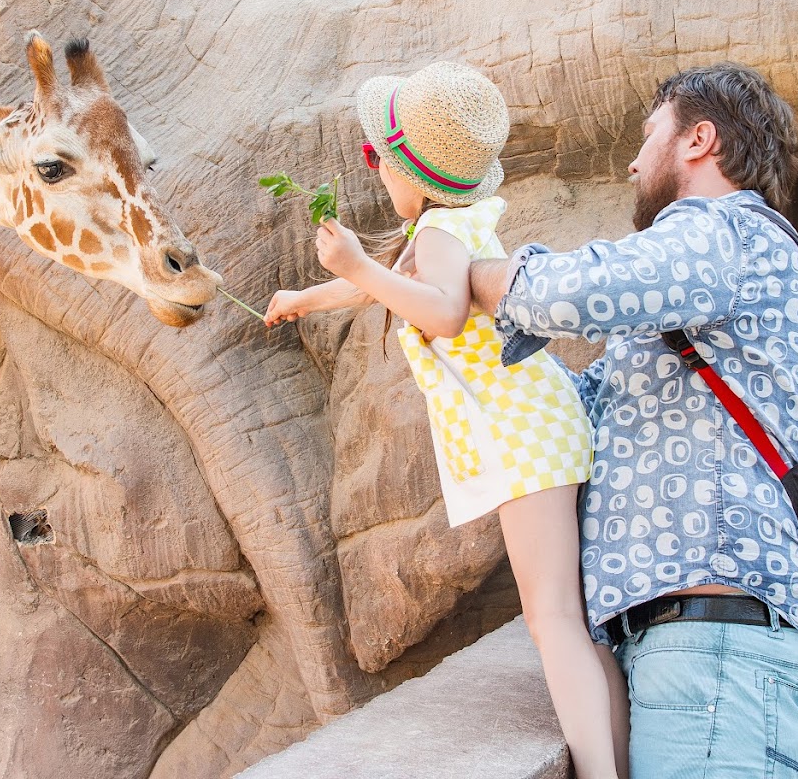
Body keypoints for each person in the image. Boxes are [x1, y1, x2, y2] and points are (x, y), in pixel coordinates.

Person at [468, 62, 798, 779]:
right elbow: (579, 411)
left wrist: (470, 273)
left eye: (648, 135)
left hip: (718, 655)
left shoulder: (725, 230)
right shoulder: (714, 277)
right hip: (693, 651)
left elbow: (561, 294)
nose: (635, 162)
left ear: (699, 139)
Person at [264, 62, 623, 779]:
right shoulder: (447, 225)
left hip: (525, 437)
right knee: (574, 622)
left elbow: (443, 311)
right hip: (543, 424)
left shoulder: (435, 233)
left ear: (410, 169)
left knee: (553, 620)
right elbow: (397, 284)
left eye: (377, 159)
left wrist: (357, 266)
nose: (374, 174)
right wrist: (307, 297)